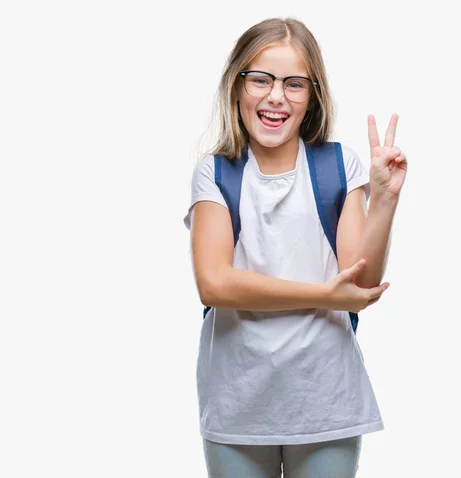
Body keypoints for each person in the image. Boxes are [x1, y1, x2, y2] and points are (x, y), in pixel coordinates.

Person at [183, 16, 408, 477]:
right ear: (237, 87)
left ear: (312, 98)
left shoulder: (337, 166)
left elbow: (360, 282)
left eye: (294, 84)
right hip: (237, 402)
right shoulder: (217, 172)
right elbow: (214, 284)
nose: (275, 96)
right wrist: (323, 296)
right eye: (260, 79)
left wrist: (383, 199)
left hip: (325, 400)